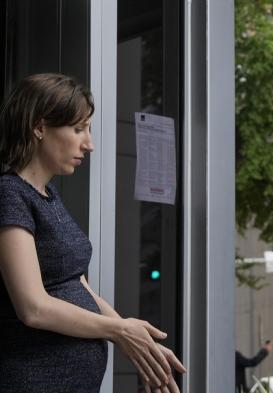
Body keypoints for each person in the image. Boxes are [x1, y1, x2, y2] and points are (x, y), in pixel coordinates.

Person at [0, 73, 185, 393]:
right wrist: (118, 331)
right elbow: (32, 307)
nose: (89, 143)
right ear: (40, 127)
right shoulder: (10, 195)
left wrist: (138, 342)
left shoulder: (49, 195)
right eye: (78, 129)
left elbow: (76, 282)